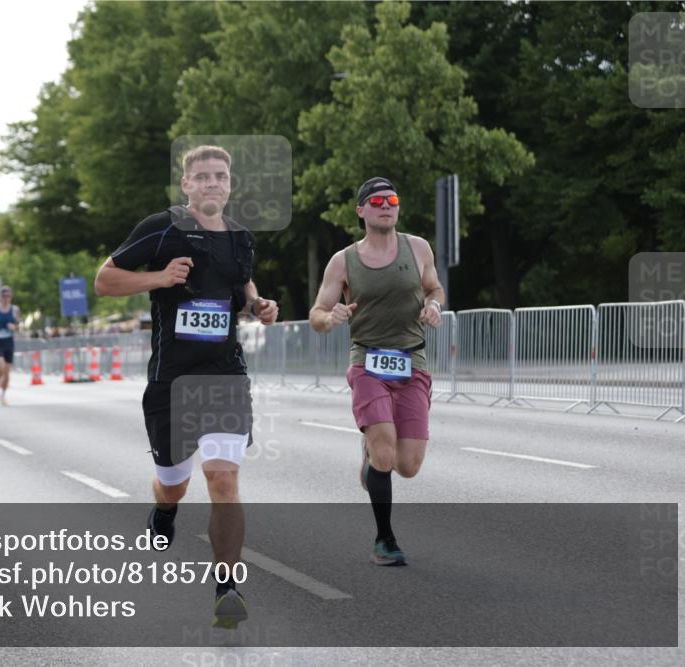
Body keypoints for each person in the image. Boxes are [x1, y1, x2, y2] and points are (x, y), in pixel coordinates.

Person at [95, 145, 278, 629]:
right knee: (174, 484)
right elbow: (104, 280)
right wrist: (159, 277)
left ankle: (227, 588)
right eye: (203, 176)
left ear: (230, 184)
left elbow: (240, 289)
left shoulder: (240, 238)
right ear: (187, 185)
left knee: (222, 478)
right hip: (172, 380)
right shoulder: (162, 227)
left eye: (221, 175)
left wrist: (258, 305)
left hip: (224, 375)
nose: (213, 182)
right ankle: (163, 511)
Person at [309, 177, 444, 566]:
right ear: (361, 211)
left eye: (393, 199)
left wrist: (434, 306)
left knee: (408, 465)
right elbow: (317, 315)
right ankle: (385, 540)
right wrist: (329, 317)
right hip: (367, 362)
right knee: (385, 450)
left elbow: (435, 288)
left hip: (411, 362)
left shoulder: (417, 248)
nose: (386, 205)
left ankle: (371, 457)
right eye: (377, 200)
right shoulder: (343, 261)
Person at [0, 285, 19, 406]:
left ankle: (3, 395)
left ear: (11, 297)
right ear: (0, 297)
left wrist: (14, 327)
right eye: (3, 295)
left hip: (9, 342)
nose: (5, 298)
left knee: (7, 372)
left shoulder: (15, 309)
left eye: (7, 296)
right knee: (0, 367)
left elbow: (17, 325)